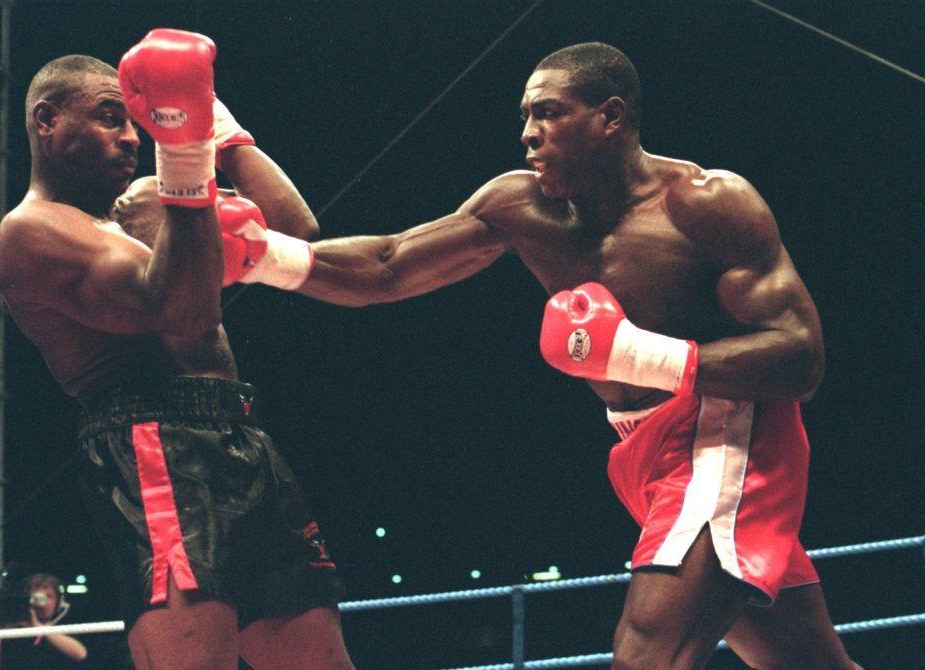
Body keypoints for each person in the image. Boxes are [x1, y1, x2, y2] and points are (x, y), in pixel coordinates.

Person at [284, 42, 861, 669]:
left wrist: (640, 354)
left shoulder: (704, 203)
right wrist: (263, 257)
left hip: (727, 435)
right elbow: (388, 265)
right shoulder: (520, 206)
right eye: (526, 117)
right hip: (641, 450)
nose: (528, 134)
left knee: (646, 653)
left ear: (609, 117)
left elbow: (800, 358)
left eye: (548, 113)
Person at [0, 29, 353, 670]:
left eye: (136, 123)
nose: (133, 138)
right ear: (45, 122)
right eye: (110, 118)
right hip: (153, 440)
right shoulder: (32, 231)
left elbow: (295, 232)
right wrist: (184, 161)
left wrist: (216, 128)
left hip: (241, 433)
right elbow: (180, 311)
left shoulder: (142, 212)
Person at [0, 573, 87, 669]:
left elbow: (81, 654)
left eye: (49, 596)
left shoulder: (64, 629)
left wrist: (38, 626)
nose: (43, 602)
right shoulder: (10, 630)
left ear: (59, 602)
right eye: (37, 597)